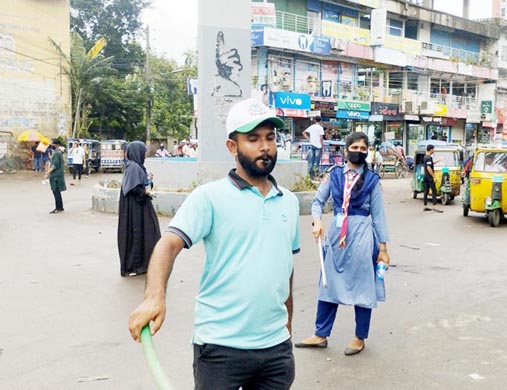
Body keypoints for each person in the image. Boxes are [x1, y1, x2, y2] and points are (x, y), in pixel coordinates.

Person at [128, 98, 300, 389]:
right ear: (232, 147)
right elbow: (167, 245)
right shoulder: (209, 198)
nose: (265, 147)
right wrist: (154, 296)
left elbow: (286, 267)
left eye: (270, 138)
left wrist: (287, 326)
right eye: (253, 139)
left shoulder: (290, 202)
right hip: (221, 349)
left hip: (276, 349)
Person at [295, 131, 390, 356]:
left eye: (363, 149)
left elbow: (378, 215)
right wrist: (317, 222)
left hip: (361, 234)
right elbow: (317, 201)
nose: (358, 152)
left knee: (363, 285)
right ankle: (321, 334)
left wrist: (383, 248)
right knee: (328, 283)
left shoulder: (372, 180)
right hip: (336, 235)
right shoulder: (334, 175)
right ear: (346, 149)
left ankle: (359, 337)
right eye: (354, 148)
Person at [118, 141, 162, 277]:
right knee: (139, 233)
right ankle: (136, 265)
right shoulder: (133, 167)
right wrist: (146, 193)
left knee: (147, 233)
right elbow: (134, 189)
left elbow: (138, 183)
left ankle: (144, 263)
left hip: (138, 206)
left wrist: (147, 180)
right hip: (135, 209)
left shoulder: (135, 166)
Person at [45, 140, 66, 214]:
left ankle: (58, 208)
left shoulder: (57, 153)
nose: (51, 144)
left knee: (56, 192)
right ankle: (60, 207)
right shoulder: (57, 152)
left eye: (52, 143)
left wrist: (47, 173)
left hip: (55, 176)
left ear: (56, 144)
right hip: (57, 175)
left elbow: (55, 165)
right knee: (57, 192)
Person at [423, 144, 443, 212]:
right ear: (431, 149)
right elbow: (429, 168)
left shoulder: (426, 157)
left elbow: (431, 164)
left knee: (426, 191)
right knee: (434, 191)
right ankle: (435, 206)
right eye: (433, 149)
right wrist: (433, 176)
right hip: (429, 177)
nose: (434, 150)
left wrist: (439, 160)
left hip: (426, 177)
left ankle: (425, 206)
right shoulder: (428, 157)